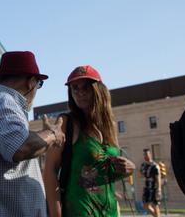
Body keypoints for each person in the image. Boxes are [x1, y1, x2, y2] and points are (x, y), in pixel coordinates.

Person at [0, 51, 65, 217]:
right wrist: (52, 133)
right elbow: (21, 146)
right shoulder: (3, 102)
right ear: (31, 82)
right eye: (39, 84)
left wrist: (44, 139)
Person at [42, 65, 135, 217]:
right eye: (75, 88)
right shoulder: (66, 123)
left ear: (98, 90)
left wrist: (129, 168)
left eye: (86, 87)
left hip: (110, 211)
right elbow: (50, 171)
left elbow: (103, 170)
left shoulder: (108, 127)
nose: (80, 93)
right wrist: (55, 214)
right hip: (79, 211)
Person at [139, 149, 161, 217]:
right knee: (145, 205)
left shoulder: (155, 166)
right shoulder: (143, 165)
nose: (145, 156)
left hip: (154, 187)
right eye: (144, 155)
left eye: (147, 154)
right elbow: (140, 175)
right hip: (147, 187)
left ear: (150, 155)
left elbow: (158, 178)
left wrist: (159, 189)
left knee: (155, 205)